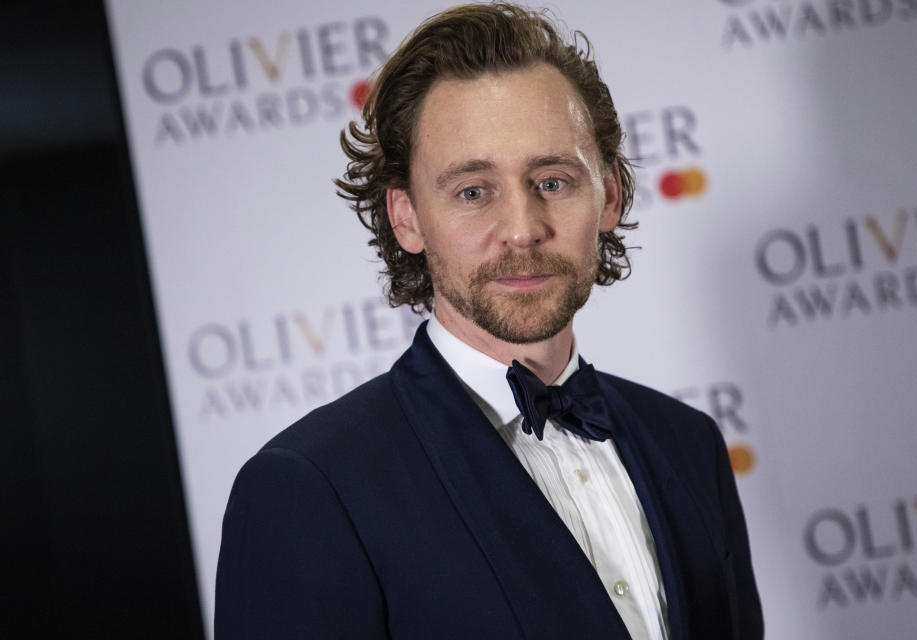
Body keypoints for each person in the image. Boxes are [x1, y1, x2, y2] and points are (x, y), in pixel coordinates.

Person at [215, 4, 763, 639]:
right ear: (407, 217)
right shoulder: (311, 486)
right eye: (473, 192)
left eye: (553, 181)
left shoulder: (686, 441)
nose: (522, 229)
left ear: (609, 194)